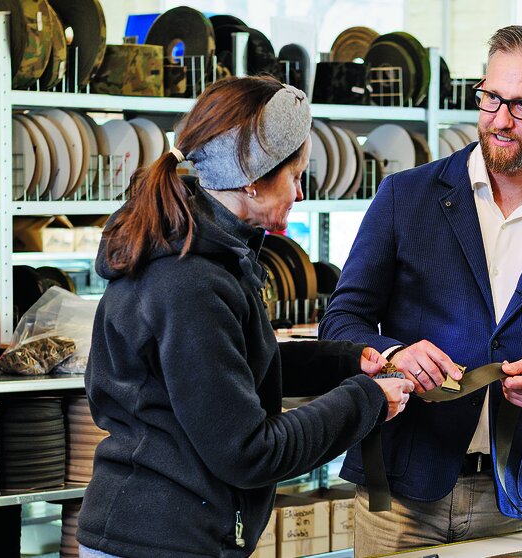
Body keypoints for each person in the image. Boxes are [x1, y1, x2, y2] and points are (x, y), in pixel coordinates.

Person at [319, 25, 522, 556]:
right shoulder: (405, 196)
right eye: (490, 98)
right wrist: (394, 354)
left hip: (511, 499)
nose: (500, 120)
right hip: (398, 494)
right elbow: (342, 320)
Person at [77, 76, 414, 558]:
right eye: (295, 176)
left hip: (170, 533)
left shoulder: (208, 255)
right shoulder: (190, 283)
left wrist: (349, 361)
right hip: (160, 542)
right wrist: (367, 400)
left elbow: (235, 365)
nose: (299, 193)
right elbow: (250, 451)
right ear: (253, 177)